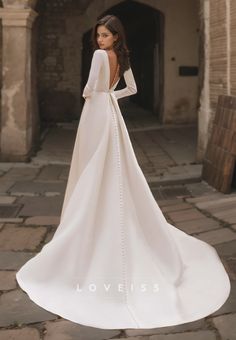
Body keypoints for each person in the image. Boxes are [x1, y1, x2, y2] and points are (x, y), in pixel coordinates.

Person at [16, 14, 231, 330]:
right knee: (113, 164)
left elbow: (88, 88)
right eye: (99, 35)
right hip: (111, 113)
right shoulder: (121, 57)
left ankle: (89, 216)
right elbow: (131, 88)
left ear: (116, 36)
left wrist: (97, 96)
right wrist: (111, 98)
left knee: (92, 165)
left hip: (95, 113)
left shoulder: (99, 56)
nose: (100, 40)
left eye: (105, 35)